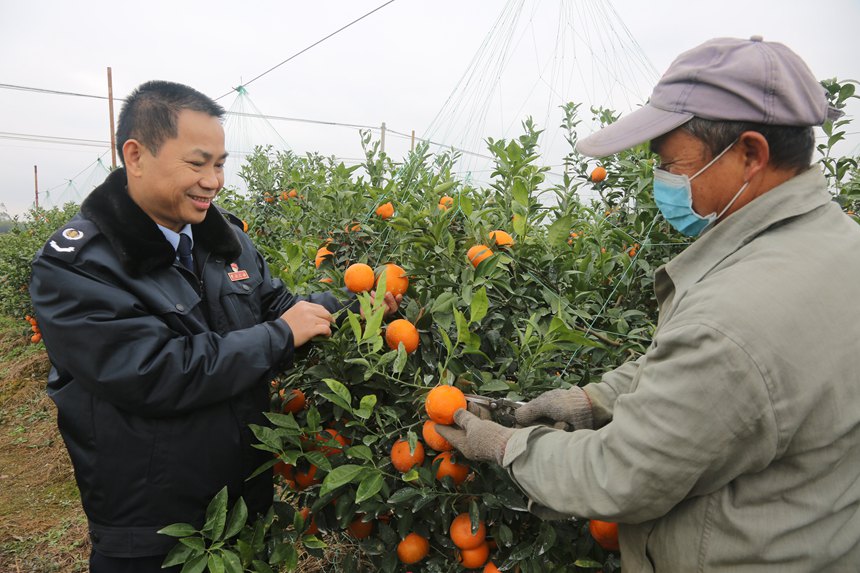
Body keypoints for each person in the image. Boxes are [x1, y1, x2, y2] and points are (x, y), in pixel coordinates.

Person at [438, 36, 860, 571]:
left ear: (751, 154)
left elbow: (619, 474)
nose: (663, 181)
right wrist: (592, 400)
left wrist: (506, 446)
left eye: (670, 163)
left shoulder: (734, 316)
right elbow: (716, 378)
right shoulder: (837, 244)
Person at [29, 80, 399, 572]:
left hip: (245, 507)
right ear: (135, 156)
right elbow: (150, 372)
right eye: (197, 163)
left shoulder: (225, 241)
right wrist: (280, 334)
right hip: (154, 527)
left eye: (220, 164)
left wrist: (358, 307)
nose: (213, 181)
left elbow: (280, 311)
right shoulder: (79, 265)